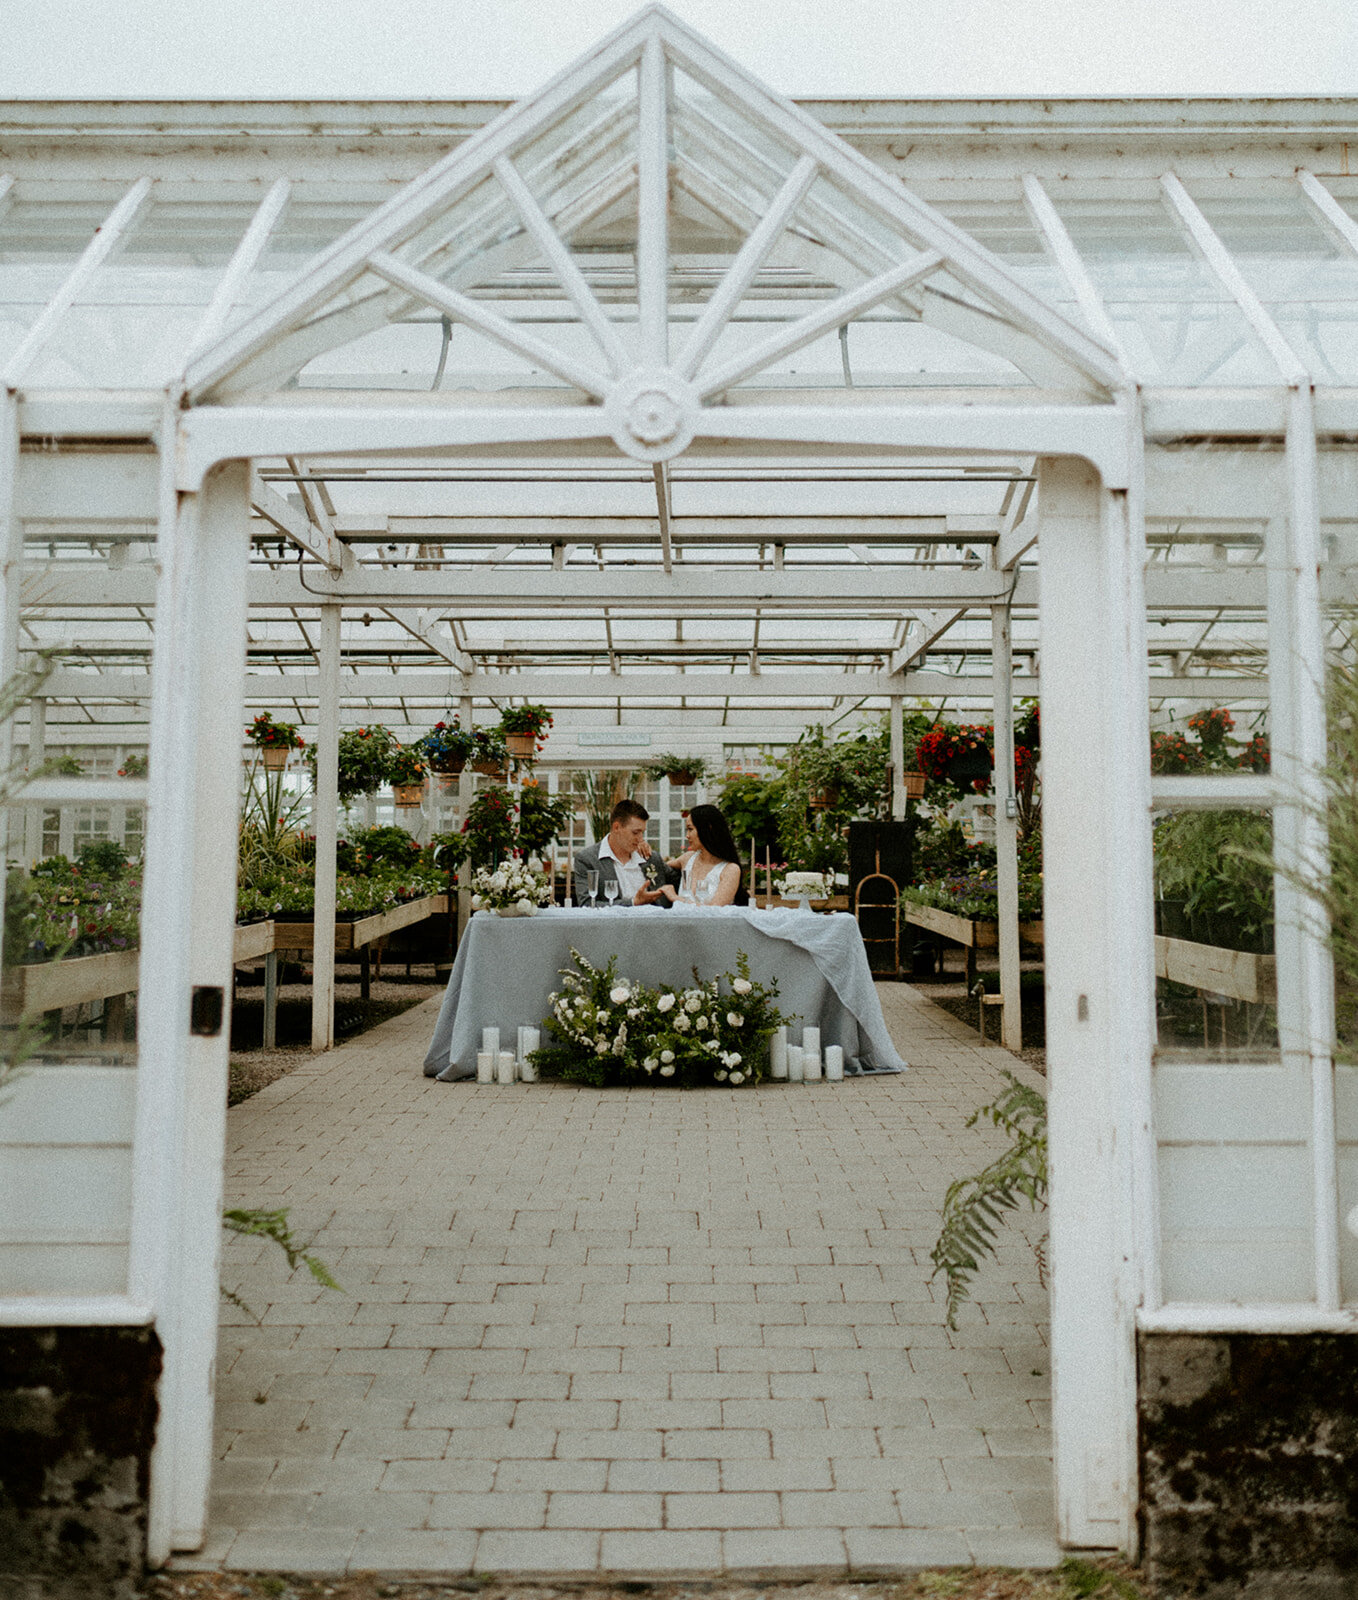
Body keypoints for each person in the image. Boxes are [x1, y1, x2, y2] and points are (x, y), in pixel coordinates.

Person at [573, 797, 677, 907]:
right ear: (616, 827)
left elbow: (682, 880)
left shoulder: (651, 857)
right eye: (635, 832)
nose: (641, 839)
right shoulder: (587, 859)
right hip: (612, 924)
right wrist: (633, 902)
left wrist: (684, 859)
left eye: (642, 833)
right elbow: (587, 904)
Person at [638, 803, 745, 908]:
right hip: (681, 924)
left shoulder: (730, 870)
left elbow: (714, 910)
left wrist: (675, 898)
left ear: (708, 828)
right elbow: (658, 867)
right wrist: (641, 844)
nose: (687, 835)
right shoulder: (687, 858)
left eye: (690, 829)